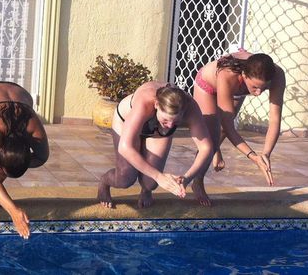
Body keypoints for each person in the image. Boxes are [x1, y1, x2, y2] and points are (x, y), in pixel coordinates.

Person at [98, 81, 213, 209]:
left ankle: (146, 191)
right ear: (157, 105)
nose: (170, 125)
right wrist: (159, 176)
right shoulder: (144, 102)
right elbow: (125, 148)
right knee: (125, 178)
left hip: (158, 131)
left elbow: (206, 148)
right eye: (166, 120)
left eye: (176, 121)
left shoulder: (190, 107)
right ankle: (104, 182)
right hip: (125, 121)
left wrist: (186, 178)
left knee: (150, 183)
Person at [192, 50, 286, 206]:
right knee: (210, 137)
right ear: (244, 75)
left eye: (263, 88)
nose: (258, 93)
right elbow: (229, 127)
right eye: (255, 87)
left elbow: (275, 120)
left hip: (237, 87)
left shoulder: (278, 76)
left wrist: (266, 154)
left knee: (221, 129)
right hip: (208, 85)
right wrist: (253, 157)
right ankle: (197, 181)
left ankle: (215, 149)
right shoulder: (228, 74)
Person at [0, 81, 49, 239]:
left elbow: (42, 158)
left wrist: (7, 168)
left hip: (19, 94)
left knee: (1, 166)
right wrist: (13, 211)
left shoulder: (34, 130)